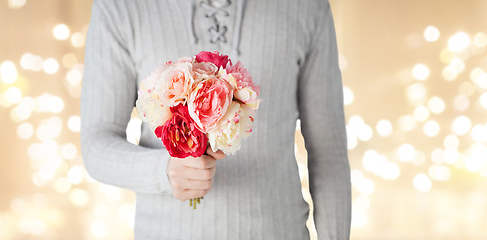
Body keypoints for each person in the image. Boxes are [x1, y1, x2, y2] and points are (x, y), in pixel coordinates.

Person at [80, 0, 351, 239]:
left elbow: (328, 151)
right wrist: (163, 170)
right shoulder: (119, 6)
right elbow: (96, 142)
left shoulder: (308, 6)